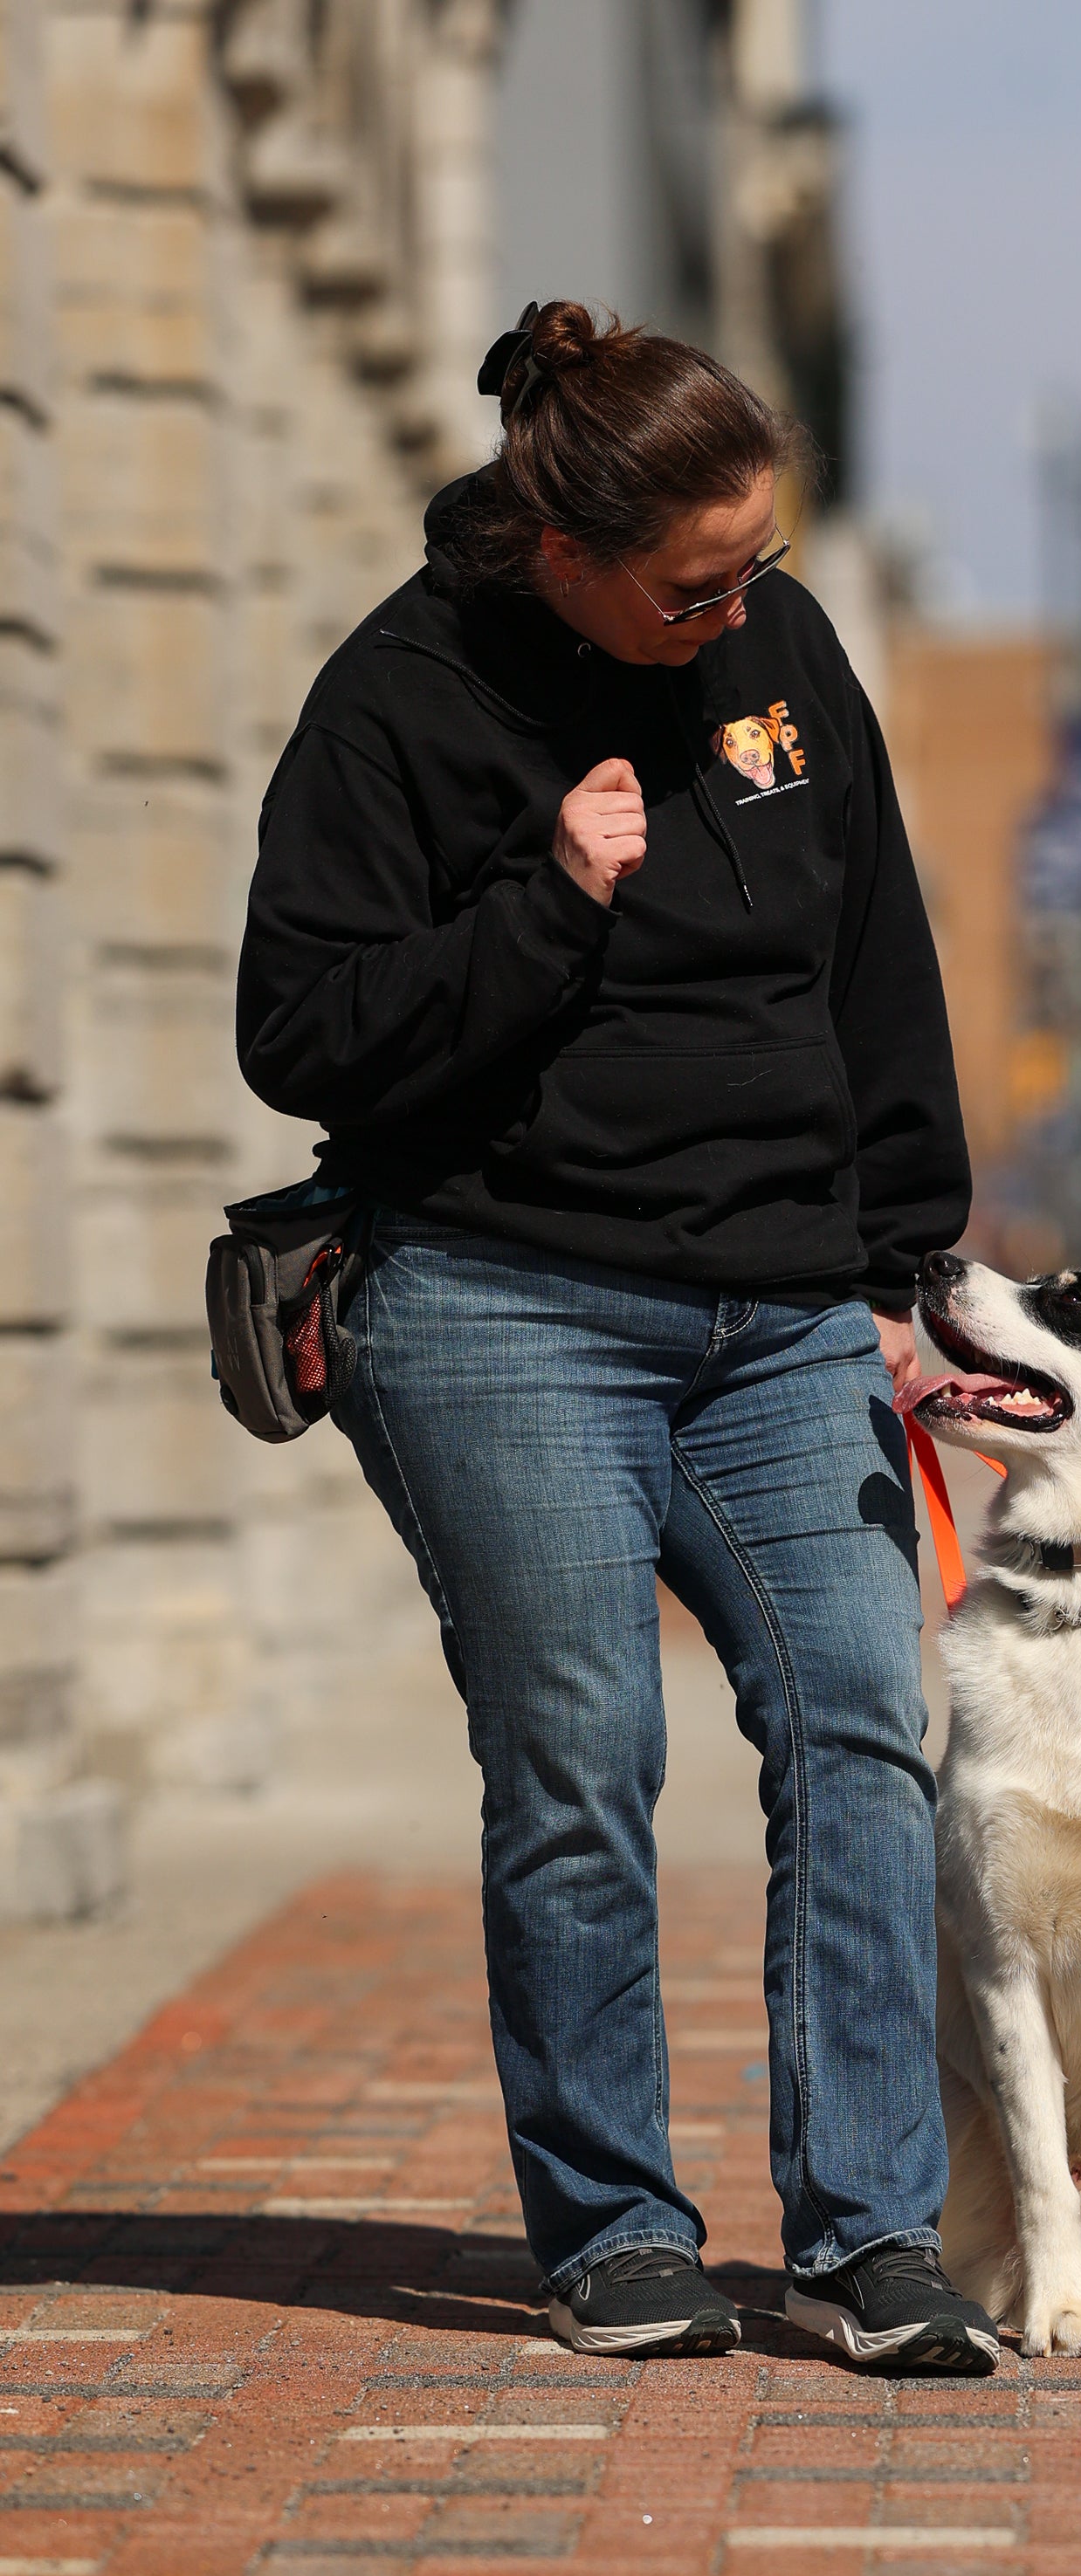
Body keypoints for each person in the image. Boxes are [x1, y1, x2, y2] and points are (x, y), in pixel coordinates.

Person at [236, 300, 999, 2374]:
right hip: (506, 1301)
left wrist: (904, 1273)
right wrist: (545, 908)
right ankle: (613, 2230)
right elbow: (299, 1029)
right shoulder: (402, 697)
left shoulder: (782, 655)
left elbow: (875, 961)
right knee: (581, 1755)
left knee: (861, 1721)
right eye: (693, 585)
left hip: (783, 1314)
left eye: (757, 563)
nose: (735, 608)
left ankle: (867, 2231)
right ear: (562, 551)